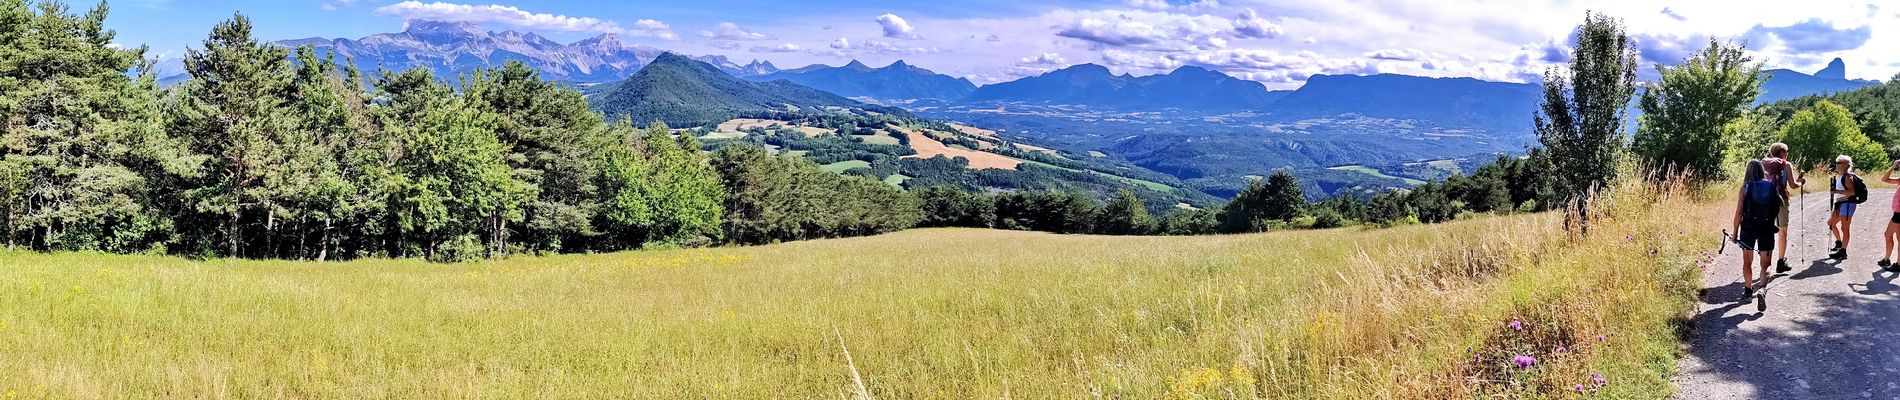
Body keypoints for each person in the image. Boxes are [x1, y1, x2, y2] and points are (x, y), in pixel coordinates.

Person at [1733, 160, 1782, 302]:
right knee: (1766, 263)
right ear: (1762, 170)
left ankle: (1748, 291)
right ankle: (1761, 289)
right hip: (1767, 227)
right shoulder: (1771, 186)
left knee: (1747, 261)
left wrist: (1735, 233)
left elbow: (1738, 213)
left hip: (1748, 228)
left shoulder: (1745, 188)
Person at [1762, 143, 1805, 272]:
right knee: (1782, 231)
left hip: (1764, 201)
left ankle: (1764, 261)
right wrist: (1801, 182)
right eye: (1786, 151)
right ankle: (1781, 261)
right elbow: (1793, 185)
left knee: (1766, 230)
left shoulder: (1763, 163)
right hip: (1781, 200)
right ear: (1781, 152)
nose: (1787, 154)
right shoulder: (1786, 165)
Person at [1828, 155, 1867, 260]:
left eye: (1839, 163)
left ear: (1846, 165)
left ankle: (1843, 251)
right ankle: (1839, 243)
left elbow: (1852, 192)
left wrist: (1836, 191)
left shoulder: (1847, 177)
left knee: (1845, 228)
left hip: (1848, 203)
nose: (1837, 164)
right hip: (1840, 203)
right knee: (1831, 223)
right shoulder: (1840, 176)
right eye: (1836, 162)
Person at [1882, 160, 1900, 270]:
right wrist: (1893, 167)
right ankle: (1886, 259)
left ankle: (1898, 264)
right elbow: (1884, 179)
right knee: (1888, 234)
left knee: (1898, 238)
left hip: (1899, 213)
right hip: (1897, 212)